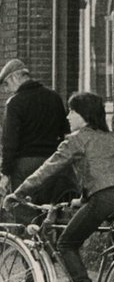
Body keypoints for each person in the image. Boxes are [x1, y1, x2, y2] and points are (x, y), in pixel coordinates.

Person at [5, 91, 114, 282]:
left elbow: (49, 168)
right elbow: (105, 172)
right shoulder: (113, 139)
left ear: (83, 114)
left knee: (66, 244)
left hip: (103, 200)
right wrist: (81, 200)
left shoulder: (76, 140)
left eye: (72, 111)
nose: (68, 116)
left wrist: (19, 192)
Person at [0, 58, 74, 206]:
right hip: (53, 162)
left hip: (24, 165)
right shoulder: (54, 97)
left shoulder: (15, 103)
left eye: (6, 84)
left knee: (25, 213)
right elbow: (66, 132)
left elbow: (10, 142)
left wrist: (5, 173)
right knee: (49, 213)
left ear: (15, 77)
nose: (6, 90)